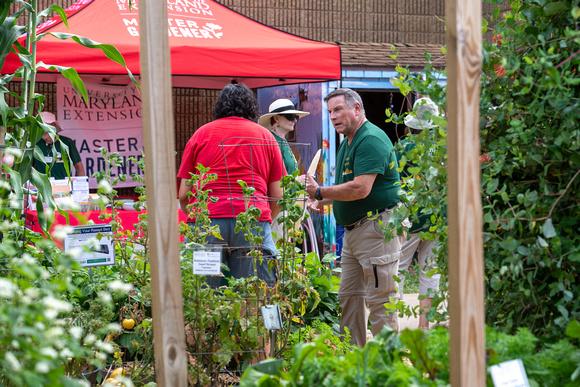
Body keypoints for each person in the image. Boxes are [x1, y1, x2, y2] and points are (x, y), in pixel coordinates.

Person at [301, 88, 401, 346]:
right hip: (354, 233)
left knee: (381, 301)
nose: (332, 116)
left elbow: (360, 188)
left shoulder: (370, 139)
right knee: (349, 299)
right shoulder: (348, 141)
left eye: (338, 109)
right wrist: (320, 198)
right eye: (330, 111)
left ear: (356, 109)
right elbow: (348, 188)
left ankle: (386, 368)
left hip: (376, 229)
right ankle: (354, 364)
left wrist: (320, 191)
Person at [177, 83, 285, 286]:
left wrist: (198, 217)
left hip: (207, 224)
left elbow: (184, 194)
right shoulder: (266, 137)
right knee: (254, 295)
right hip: (252, 221)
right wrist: (262, 219)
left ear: (219, 107)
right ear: (251, 108)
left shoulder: (201, 135)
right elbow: (278, 196)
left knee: (204, 296)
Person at [398, 97, 442, 329]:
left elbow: (394, 183)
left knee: (398, 272)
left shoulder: (403, 148)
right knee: (430, 275)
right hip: (436, 219)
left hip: (409, 218)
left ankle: (391, 329)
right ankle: (425, 328)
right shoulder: (443, 150)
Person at [258, 98, 309, 175]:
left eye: (296, 117)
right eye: (290, 116)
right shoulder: (272, 142)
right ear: (276, 118)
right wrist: (297, 180)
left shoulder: (281, 141)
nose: (295, 120)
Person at [33, 111, 85, 178]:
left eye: (48, 125)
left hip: (64, 186)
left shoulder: (67, 143)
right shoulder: (35, 144)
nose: (44, 128)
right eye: (41, 125)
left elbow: (79, 167)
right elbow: (27, 168)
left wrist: (78, 186)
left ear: (54, 126)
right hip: (41, 187)